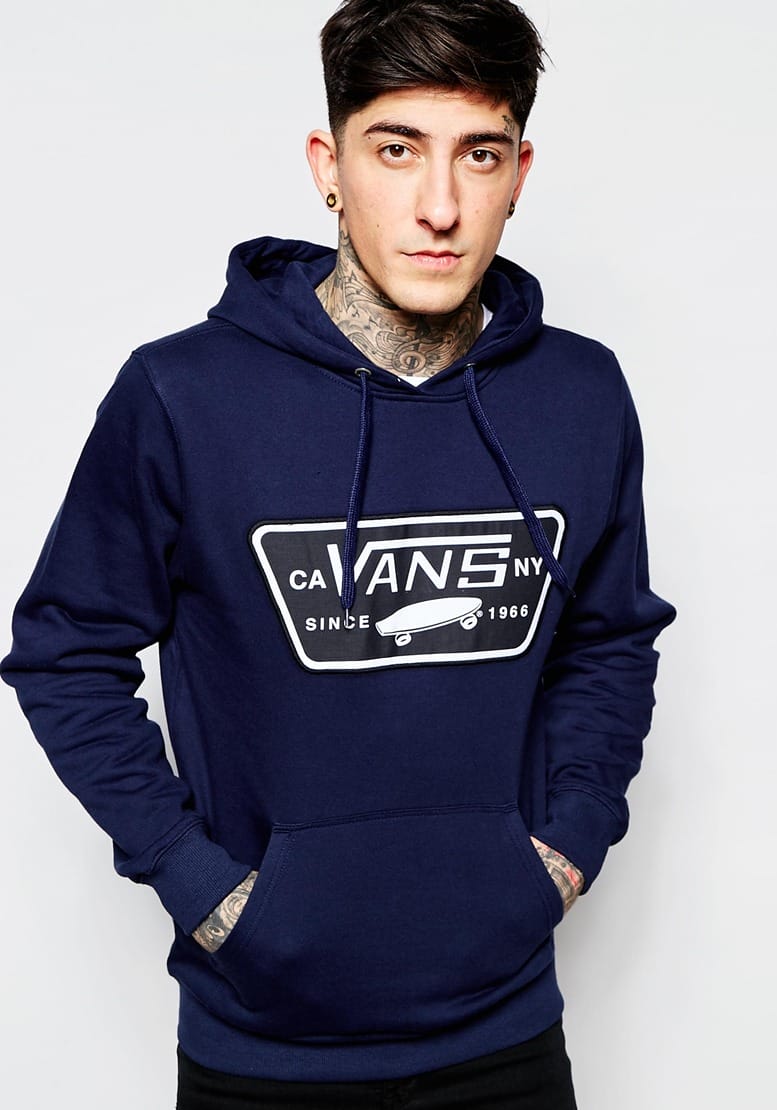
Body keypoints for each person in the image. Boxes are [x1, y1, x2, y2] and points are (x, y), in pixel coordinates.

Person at [1, 0, 676, 1106]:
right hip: (263, 1050)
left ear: (519, 174)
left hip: (506, 1031)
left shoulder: (580, 393)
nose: (440, 205)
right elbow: (64, 651)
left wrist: (565, 850)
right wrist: (202, 886)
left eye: (479, 154)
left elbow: (610, 641)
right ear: (329, 166)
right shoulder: (184, 395)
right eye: (396, 150)